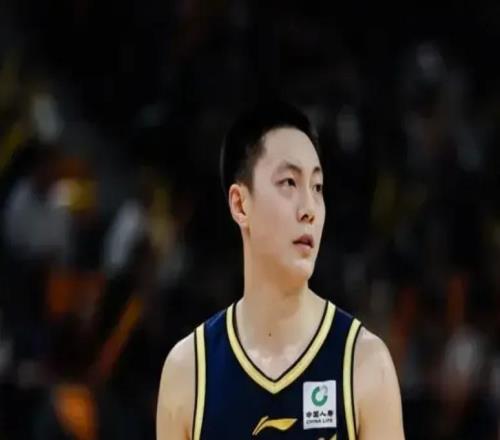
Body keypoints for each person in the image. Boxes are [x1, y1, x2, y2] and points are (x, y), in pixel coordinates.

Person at [156, 99, 405, 439]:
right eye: (289, 182)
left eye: (317, 187)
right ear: (240, 204)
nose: (309, 208)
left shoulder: (365, 364)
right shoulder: (188, 373)